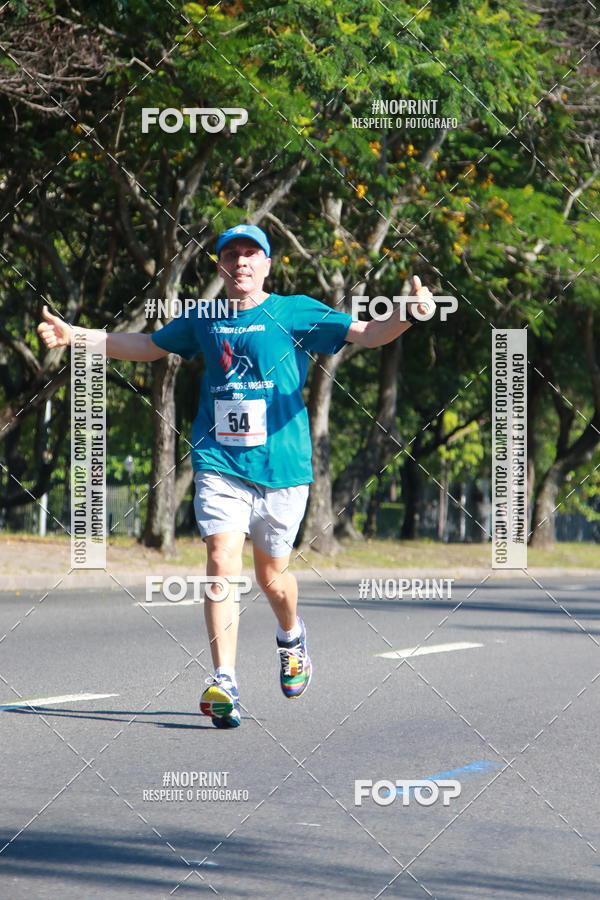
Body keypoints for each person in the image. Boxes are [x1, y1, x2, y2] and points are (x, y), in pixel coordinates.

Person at [37, 223, 434, 729]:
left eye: (251, 254)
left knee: (272, 577)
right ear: (221, 266)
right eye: (231, 255)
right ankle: (225, 680)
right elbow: (149, 345)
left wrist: (408, 313)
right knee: (221, 560)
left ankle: (292, 637)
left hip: (282, 468)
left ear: (267, 265)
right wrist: (76, 336)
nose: (241, 262)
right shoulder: (203, 317)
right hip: (219, 461)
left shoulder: (295, 311)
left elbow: (369, 334)